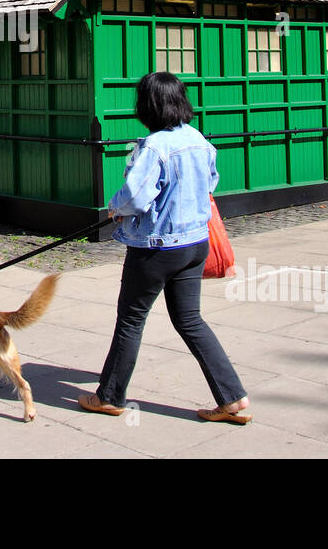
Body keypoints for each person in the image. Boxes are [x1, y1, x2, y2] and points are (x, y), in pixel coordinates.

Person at [78, 71, 252, 425]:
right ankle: (232, 397)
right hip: (195, 242)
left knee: (131, 319)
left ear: (149, 106)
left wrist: (115, 207)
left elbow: (137, 195)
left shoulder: (154, 146)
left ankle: (109, 396)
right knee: (190, 320)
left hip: (156, 248)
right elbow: (212, 181)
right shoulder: (199, 140)